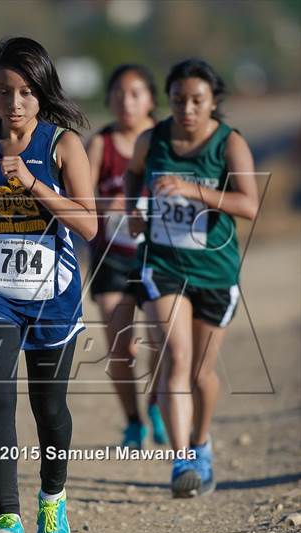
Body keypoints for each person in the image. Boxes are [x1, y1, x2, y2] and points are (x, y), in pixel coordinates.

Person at [0, 37, 97, 533]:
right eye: (2, 91)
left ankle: (52, 498)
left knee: (48, 406)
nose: (14, 103)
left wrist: (33, 183)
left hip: (53, 292)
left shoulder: (62, 146)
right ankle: (6, 516)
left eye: (26, 92)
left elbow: (89, 224)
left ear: (41, 93)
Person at [125, 59, 258, 497]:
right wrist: (133, 208)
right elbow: (132, 173)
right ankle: (182, 463)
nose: (187, 108)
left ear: (212, 102)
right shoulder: (153, 139)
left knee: (201, 371)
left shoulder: (229, 143)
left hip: (215, 272)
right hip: (163, 265)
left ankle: (201, 444)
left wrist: (194, 190)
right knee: (176, 358)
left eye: (197, 100)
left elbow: (248, 204)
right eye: (179, 99)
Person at [86, 64, 168, 449]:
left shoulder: (165, 141)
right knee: (121, 349)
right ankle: (133, 421)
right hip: (112, 259)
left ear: (151, 99)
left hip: (158, 255)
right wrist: (109, 203)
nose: (126, 101)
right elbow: (79, 199)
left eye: (135, 93)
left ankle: (155, 403)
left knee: (163, 339)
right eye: (118, 93)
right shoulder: (101, 144)